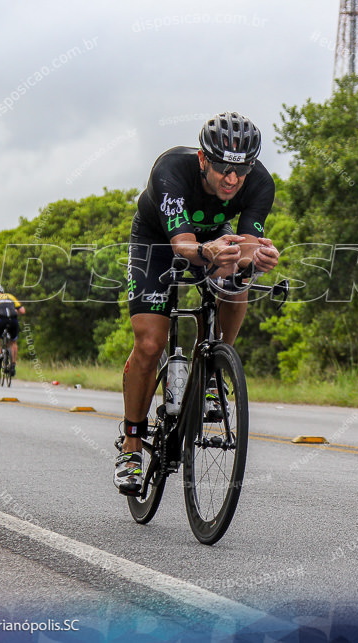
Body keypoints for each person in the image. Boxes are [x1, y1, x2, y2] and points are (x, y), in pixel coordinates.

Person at [114, 112, 280, 495]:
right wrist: (210, 251)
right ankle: (132, 446)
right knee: (150, 344)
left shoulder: (259, 183)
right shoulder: (171, 169)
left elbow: (248, 245)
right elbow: (182, 246)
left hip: (213, 237)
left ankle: (214, 369)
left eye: (242, 169)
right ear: (204, 159)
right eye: (222, 167)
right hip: (159, 242)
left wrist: (255, 258)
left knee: (239, 281)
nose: (232, 178)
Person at [0, 284, 25, 375]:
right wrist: (16, 312)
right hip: (13, 320)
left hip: (0, 320)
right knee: (13, 342)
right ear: (3, 292)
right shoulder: (10, 296)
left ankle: (0, 355)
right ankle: (13, 366)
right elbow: (22, 311)